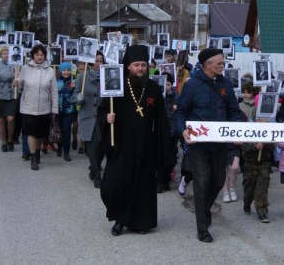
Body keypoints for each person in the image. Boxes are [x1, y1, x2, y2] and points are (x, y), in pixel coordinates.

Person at [98, 45, 175, 236]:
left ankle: (140, 222)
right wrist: (107, 118)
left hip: (145, 145)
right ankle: (119, 219)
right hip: (122, 144)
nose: (140, 69)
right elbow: (102, 110)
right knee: (115, 183)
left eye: (143, 65)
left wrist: (164, 148)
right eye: (136, 65)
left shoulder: (153, 88)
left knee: (142, 184)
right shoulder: (118, 86)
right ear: (128, 67)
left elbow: (161, 120)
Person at [174, 48, 247, 243]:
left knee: (217, 181)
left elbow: (233, 111)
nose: (223, 66)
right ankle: (203, 227)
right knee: (202, 181)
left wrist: (237, 131)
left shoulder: (226, 84)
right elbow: (180, 113)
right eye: (220, 63)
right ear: (208, 65)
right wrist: (183, 131)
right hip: (198, 144)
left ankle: (203, 210)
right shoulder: (191, 86)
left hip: (220, 144)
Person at [14, 44, 58, 170]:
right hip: (28, 106)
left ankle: (37, 151)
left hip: (44, 107)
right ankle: (33, 156)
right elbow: (20, 82)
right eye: (37, 55)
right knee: (31, 133)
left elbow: (54, 90)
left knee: (40, 134)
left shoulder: (49, 71)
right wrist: (17, 82)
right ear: (33, 55)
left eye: (41, 55)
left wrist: (55, 109)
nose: (39, 57)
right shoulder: (25, 68)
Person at [73, 52, 105, 187]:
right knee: (92, 147)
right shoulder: (82, 77)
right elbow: (74, 96)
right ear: (91, 63)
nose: (99, 64)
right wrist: (78, 99)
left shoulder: (108, 76)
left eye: (101, 61)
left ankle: (94, 167)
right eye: (96, 61)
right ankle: (97, 175)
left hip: (103, 117)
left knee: (101, 147)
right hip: (88, 117)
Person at [0, 46, 19, 152]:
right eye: (4, 53)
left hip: (12, 95)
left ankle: (10, 139)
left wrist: (17, 82)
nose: (6, 55)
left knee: (11, 118)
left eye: (7, 53)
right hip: (0, 95)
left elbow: (22, 79)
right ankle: (4, 142)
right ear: (1, 55)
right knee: (1, 120)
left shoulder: (16, 65)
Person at [56, 62, 77, 161]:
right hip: (58, 110)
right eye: (64, 70)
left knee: (66, 130)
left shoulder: (74, 81)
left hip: (69, 110)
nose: (66, 72)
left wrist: (73, 89)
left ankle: (66, 152)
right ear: (61, 71)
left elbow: (76, 96)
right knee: (59, 129)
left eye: (68, 70)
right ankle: (59, 146)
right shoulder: (56, 82)